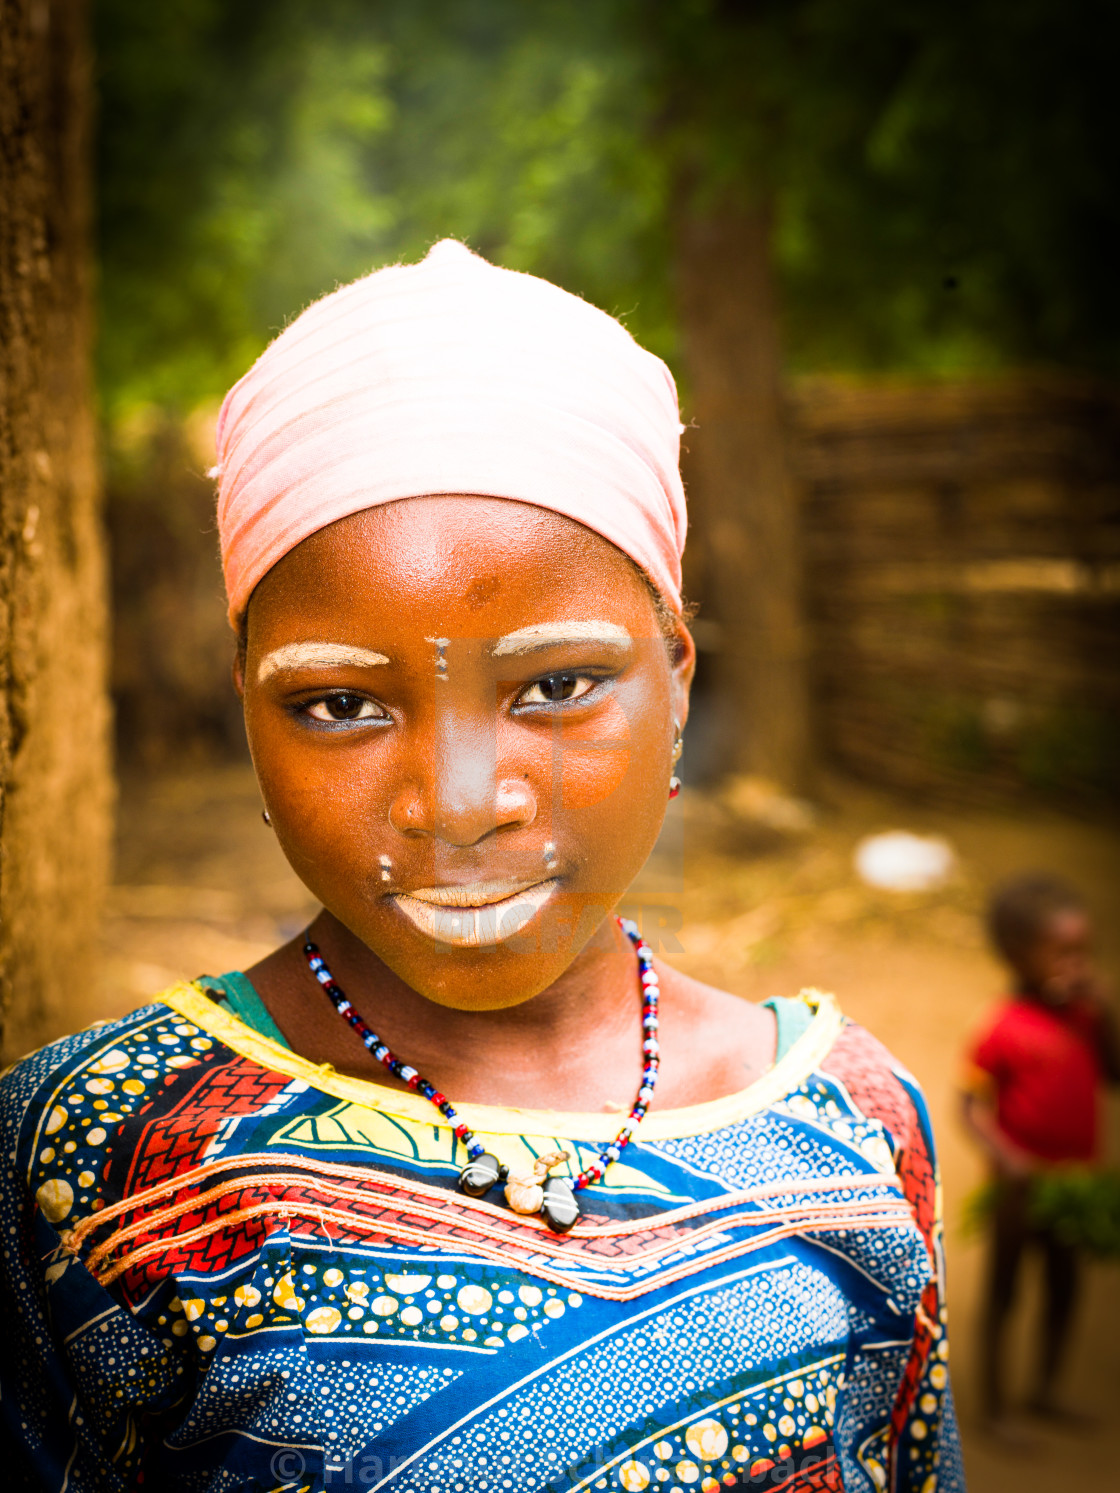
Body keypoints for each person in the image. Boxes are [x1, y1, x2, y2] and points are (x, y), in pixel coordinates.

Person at [0, 241, 963, 1491]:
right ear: (244, 708)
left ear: (677, 675)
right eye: (342, 702)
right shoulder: (85, 1155)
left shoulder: (852, 1122)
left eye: (557, 685)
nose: (459, 806)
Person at [962, 872, 1119, 1439]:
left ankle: (1046, 1391)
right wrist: (1007, 1157)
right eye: (1063, 953)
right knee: (1005, 1292)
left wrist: (1106, 1017)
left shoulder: (1085, 1017)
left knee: (1065, 1288)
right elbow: (969, 1106)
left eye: (1085, 952)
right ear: (1018, 955)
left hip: (1074, 1186)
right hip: (1019, 1190)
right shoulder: (1005, 1028)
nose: (1078, 965)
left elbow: (1114, 1075)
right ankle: (997, 1409)